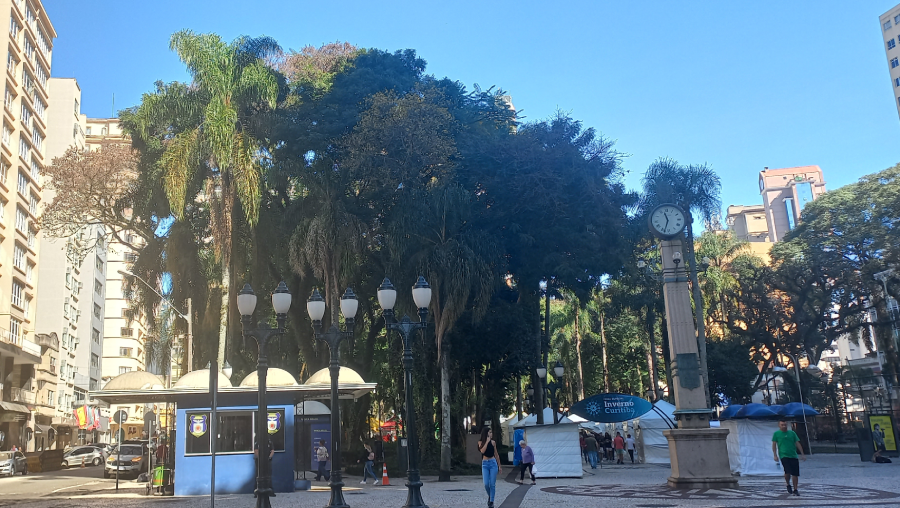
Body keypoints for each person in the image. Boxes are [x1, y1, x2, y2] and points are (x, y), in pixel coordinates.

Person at [772, 419, 805, 496]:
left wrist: (802, 453)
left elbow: (797, 443)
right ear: (779, 425)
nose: (784, 426)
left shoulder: (792, 433)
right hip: (784, 455)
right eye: (782, 425)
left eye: (785, 425)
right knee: (788, 471)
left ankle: (795, 489)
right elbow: (774, 444)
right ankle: (787, 483)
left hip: (793, 455)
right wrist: (775, 455)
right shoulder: (776, 434)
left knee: (795, 473)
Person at [478, 426, 502, 508]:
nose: (491, 434)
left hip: (493, 463)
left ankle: (491, 501)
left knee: (492, 484)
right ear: (486, 433)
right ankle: (490, 496)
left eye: (491, 432)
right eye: (490, 432)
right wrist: (487, 441)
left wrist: (499, 466)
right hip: (485, 464)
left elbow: (496, 454)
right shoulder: (480, 442)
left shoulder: (493, 442)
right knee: (486, 484)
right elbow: (482, 451)